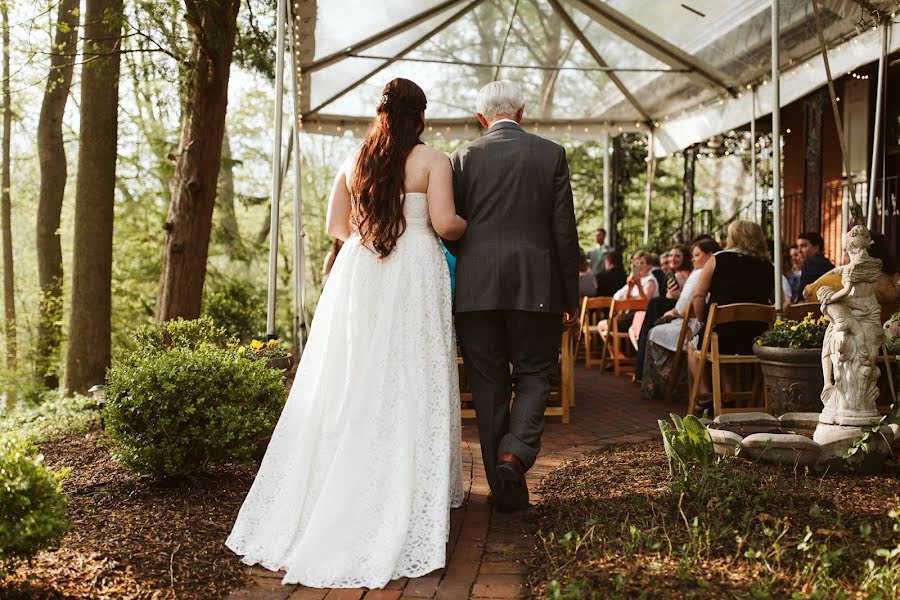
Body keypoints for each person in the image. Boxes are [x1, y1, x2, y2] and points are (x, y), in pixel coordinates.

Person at [227, 78, 467, 589]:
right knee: (409, 370)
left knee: (354, 372)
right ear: (420, 116)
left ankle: (339, 473)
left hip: (362, 271)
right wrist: (471, 226)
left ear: (379, 113)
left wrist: (373, 230)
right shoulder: (434, 161)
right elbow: (445, 224)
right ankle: (403, 482)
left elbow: (338, 227)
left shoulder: (355, 159)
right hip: (412, 273)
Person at [449, 80, 579, 513]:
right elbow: (564, 233)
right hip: (536, 286)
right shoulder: (550, 154)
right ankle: (515, 454)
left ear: (481, 118)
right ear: (521, 113)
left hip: (476, 289)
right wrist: (570, 298)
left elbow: (451, 226)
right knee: (535, 374)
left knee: (487, 386)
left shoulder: (462, 158)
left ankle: (504, 488)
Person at [689, 221, 775, 409]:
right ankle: (729, 396)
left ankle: (704, 398)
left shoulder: (717, 259)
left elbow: (698, 296)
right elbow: (775, 301)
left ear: (733, 237)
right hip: (757, 339)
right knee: (720, 348)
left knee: (695, 346)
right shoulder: (769, 266)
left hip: (722, 334)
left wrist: (703, 321)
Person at [640, 238, 721, 400]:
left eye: (697, 255)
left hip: (694, 327)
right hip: (712, 327)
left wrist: (670, 313)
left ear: (710, 255)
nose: (693, 259)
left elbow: (683, 307)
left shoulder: (698, 273)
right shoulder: (722, 272)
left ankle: (663, 386)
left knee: (654, 332)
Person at [632, 243, 693, 380]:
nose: (672, 258)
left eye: (677, 256)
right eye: (671, 255)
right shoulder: (686, 274)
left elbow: (674, 299)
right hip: (680, 313)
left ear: (685, 258)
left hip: (677, 315)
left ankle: (641, 370)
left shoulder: (675, 276)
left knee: (652, 312)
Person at [803, 231, 900, 305]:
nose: (846, 256)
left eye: (847, 252)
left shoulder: (850, 274)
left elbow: (809, 292)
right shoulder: (894, 278)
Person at [595, 251, 658, 337]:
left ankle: (615, 350)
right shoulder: (634, 279)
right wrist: (630, 287)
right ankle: (614, 350)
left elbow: (646, 303)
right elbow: (623, 300)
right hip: (628, 314)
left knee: (602, 325)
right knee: (602, 325)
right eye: (636, 263)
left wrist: (639, 286)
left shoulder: (650, 281)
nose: (639, 266)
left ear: (649, 266)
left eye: (642, 263)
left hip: (640, 316)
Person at [794, 232, 834, 302]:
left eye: (804, 246)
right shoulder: (828, 263)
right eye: (798, 247)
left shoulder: (810, 264)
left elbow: (802, 294)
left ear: (816, 248)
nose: (799, 251)